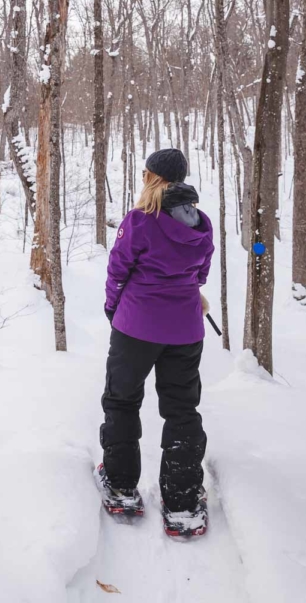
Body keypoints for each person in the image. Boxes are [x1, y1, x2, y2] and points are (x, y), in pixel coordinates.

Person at [97, 148, 214, 536]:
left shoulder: (140, 221)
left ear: (152, 177)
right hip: (184, 330)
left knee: (122, 399)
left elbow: (118, 269)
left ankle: (121, 485)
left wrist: (114, 309)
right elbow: (200, 273)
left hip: (136, 327)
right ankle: (181, 504)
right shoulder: (201, 223)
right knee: (182, 410)